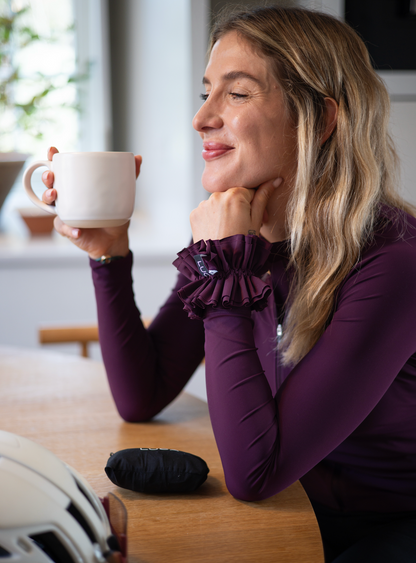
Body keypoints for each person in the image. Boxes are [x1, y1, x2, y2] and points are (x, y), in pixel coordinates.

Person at [41, 6, 416, 563]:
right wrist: (109, 253)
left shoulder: (395, 263)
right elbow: (143, 392)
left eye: (237, 94)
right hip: (300, 509)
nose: (202, 118)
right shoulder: (249, 236)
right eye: (205, 91)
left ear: (320, 118)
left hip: (390, 525)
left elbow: (255, 472)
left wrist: (225, 266)